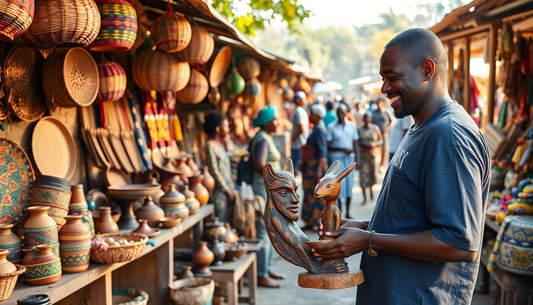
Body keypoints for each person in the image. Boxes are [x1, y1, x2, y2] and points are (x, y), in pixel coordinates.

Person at [313, 28, 490, 305]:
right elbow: (414, 218)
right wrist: (362, 227)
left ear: (427, 70)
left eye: (392, 77)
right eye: (383, 78)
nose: (384, 88)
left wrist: (369, 240)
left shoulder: (448, 137)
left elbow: (459, 242)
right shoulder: (419, 127)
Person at [250, 105, 286, 288]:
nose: (278, 122)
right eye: (275, 119)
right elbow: (259, 164)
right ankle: (261, 274)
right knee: (264, 232)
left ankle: (267, 268)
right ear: (267, 122)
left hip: (269, 190)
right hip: (264, 190)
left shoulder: (265, 138)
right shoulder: (263, 139)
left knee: (271, 230)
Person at [326, 104, 360, 219]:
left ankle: (348, 212)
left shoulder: (351, 126)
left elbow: (355, 143)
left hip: (349, 160)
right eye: (339, 113)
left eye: (342, 113)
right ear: (336, 113)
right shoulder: (331, 127)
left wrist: (358, 159)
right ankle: (340, 211)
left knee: (349, 185)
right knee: (339, 186)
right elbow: (328, 146)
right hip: (337, 161)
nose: (340, 115)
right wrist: (342, 149)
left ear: (346, 113)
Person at [300, 103, 329, 230]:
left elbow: (322, 150)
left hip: (314, 169)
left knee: (315, 195)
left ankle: (318, 222)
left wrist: (319, 169)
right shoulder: (317, 127)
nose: (309, 116)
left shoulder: (319, 129)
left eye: (311, 114)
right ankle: (310, 221)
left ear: (317, 115)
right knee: (309, 193)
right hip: (310, 168)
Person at [204, 113, 235, 222]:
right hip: (219, 193)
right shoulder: (209, 146)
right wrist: (227, 191)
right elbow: (214, 171)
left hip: (228, 190)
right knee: (221, 223)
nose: (228, 129)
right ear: (217, 129)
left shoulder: (220, 144)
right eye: (226, 126)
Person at [357, 112, 383, 205]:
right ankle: (365, 198)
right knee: (363, 177)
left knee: (372, 175)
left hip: (373, 156)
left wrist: (374, 144)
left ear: (371, 119)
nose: (366, 120)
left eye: (368, 118)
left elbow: (381, 140)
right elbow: (356, 142)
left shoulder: (375, 128)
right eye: (365, 118)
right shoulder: (359, 129)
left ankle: (371, 191)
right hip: (363, 156)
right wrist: (364, 143)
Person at [370, 96, 395, 170]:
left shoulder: (387, 112)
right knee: (376, 150)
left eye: (380, 102)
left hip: (384, 134)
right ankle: (376, 165)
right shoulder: (372, 112)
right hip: (375, 135)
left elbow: (392, 121)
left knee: (384, 149)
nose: (378, 104)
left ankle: (382, 165)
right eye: (377, 102)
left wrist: (388, 128)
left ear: (383, 103)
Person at [290, 91, 309, 176]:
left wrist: (293, 138)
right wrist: (293, 138)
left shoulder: (299, 111)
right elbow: (301, 128)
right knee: (295, 168)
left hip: (299, 143)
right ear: (298, 100)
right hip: (299, 143)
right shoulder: (299, 111)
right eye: (303, 99)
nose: (305, 101)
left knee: (296, 168)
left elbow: (301, 129)